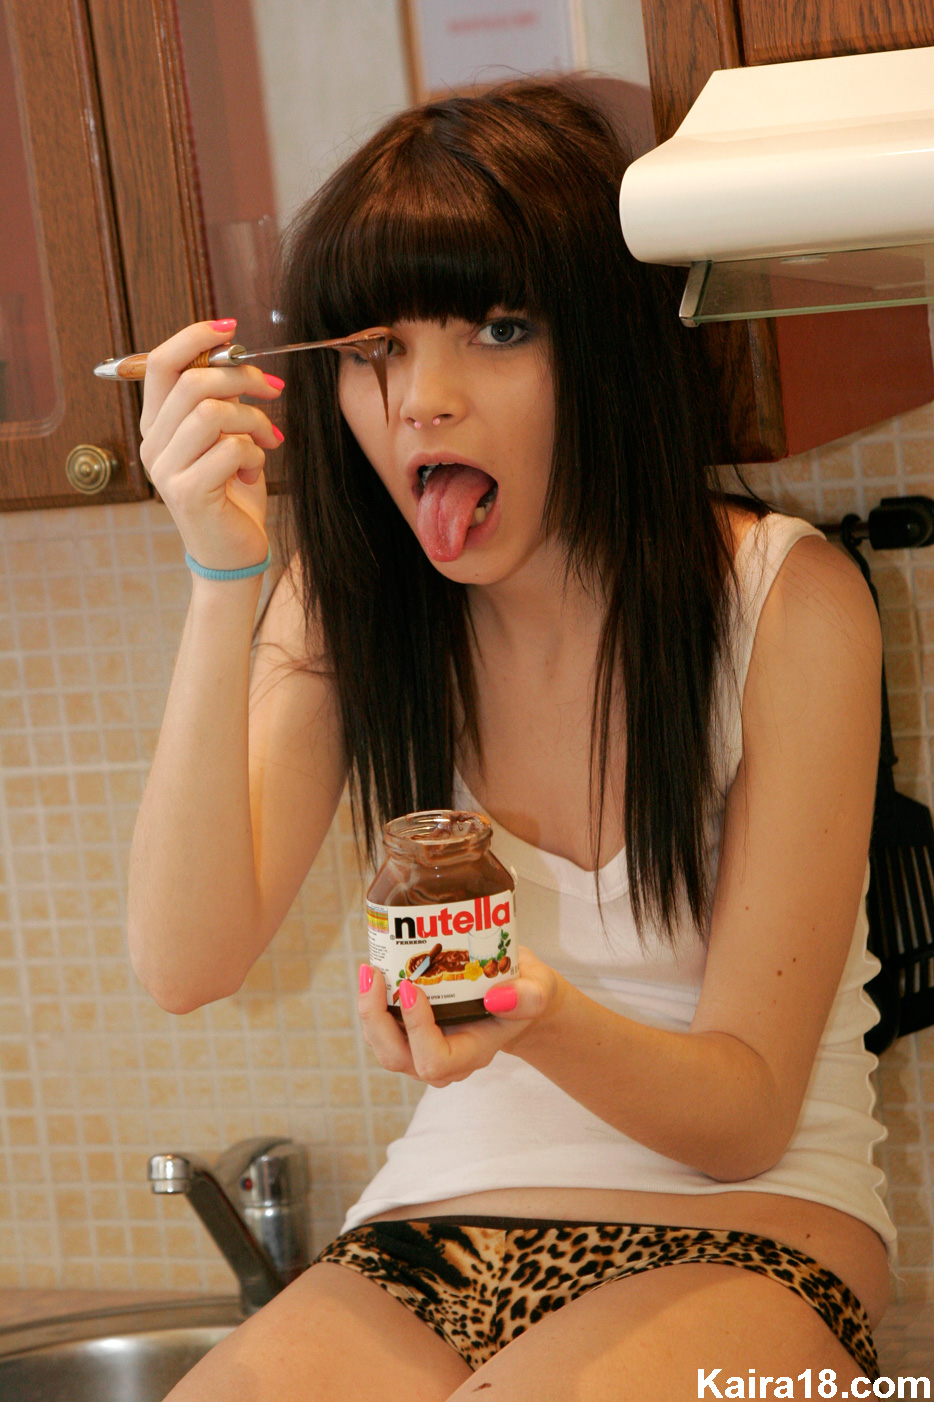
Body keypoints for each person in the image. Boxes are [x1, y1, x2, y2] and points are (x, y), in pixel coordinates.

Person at [128, 81, 894, 1400]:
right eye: (376, 346)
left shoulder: (785, 600)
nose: (421, 401)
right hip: (433, 1226)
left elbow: (743, 1118)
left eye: (498, 329)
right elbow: (185, 960)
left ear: (602, 346)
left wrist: (524, 1010)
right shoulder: (346, 609)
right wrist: (221, 577)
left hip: (754, 1230)